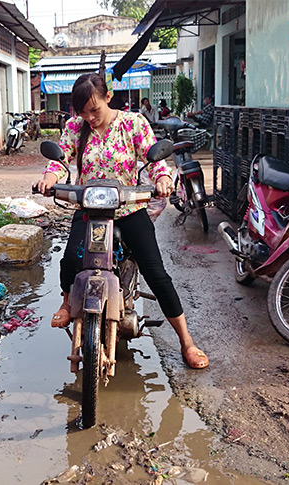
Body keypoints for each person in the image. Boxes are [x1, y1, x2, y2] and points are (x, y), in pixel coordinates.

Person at [33, 73, 209, 369]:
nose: (89, 117)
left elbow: (154, 161)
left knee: (157, 274)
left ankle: (186, 341)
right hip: (89, 211)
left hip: (128, 208)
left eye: (94, 110)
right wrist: (50, 176)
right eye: (83, 112)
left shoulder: (133, 123)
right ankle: (67, 303)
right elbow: (60, 161)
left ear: (108, 98)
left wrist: (163, 177)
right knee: (69, 261)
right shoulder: (76, 127)